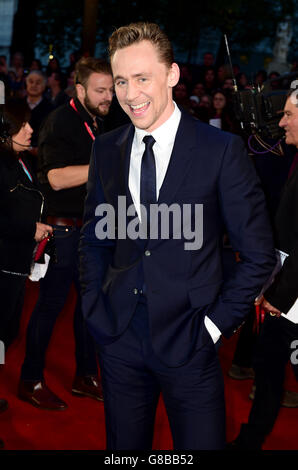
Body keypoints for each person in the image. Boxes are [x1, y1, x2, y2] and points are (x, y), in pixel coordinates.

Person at [79, 22, 276, 450]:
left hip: (191, 340)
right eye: (121, 81)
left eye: (143, 78)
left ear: (171, 75)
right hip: (118, 337)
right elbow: (95, 238)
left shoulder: (220, 150)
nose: (131, 95)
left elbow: (259, 255)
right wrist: (94, 306)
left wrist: (213, 327)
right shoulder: (106, 148)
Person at [18, 57, 114, 410]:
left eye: (111, 89)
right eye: (101, 90)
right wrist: (105, 166)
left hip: (92, 231)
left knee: (91, 308)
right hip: (62, 232)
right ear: (80, 89)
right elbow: (55, 178)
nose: (108, 97)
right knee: (49, 308)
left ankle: (85, 376)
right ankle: (30, 379)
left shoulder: (99, 121)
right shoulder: (61, 121)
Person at [229, 91, 298, 449]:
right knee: (269, 369)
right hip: (286, 289)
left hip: (291, 297)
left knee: (272, 368)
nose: (281, 122)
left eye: (288, 115)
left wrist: (278, 297)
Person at [0, 97, 52, 447]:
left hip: (16, 268)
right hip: (2, 268)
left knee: (5, 337)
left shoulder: (19, 162)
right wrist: (28, 228)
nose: (30, 129)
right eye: (22, 125)